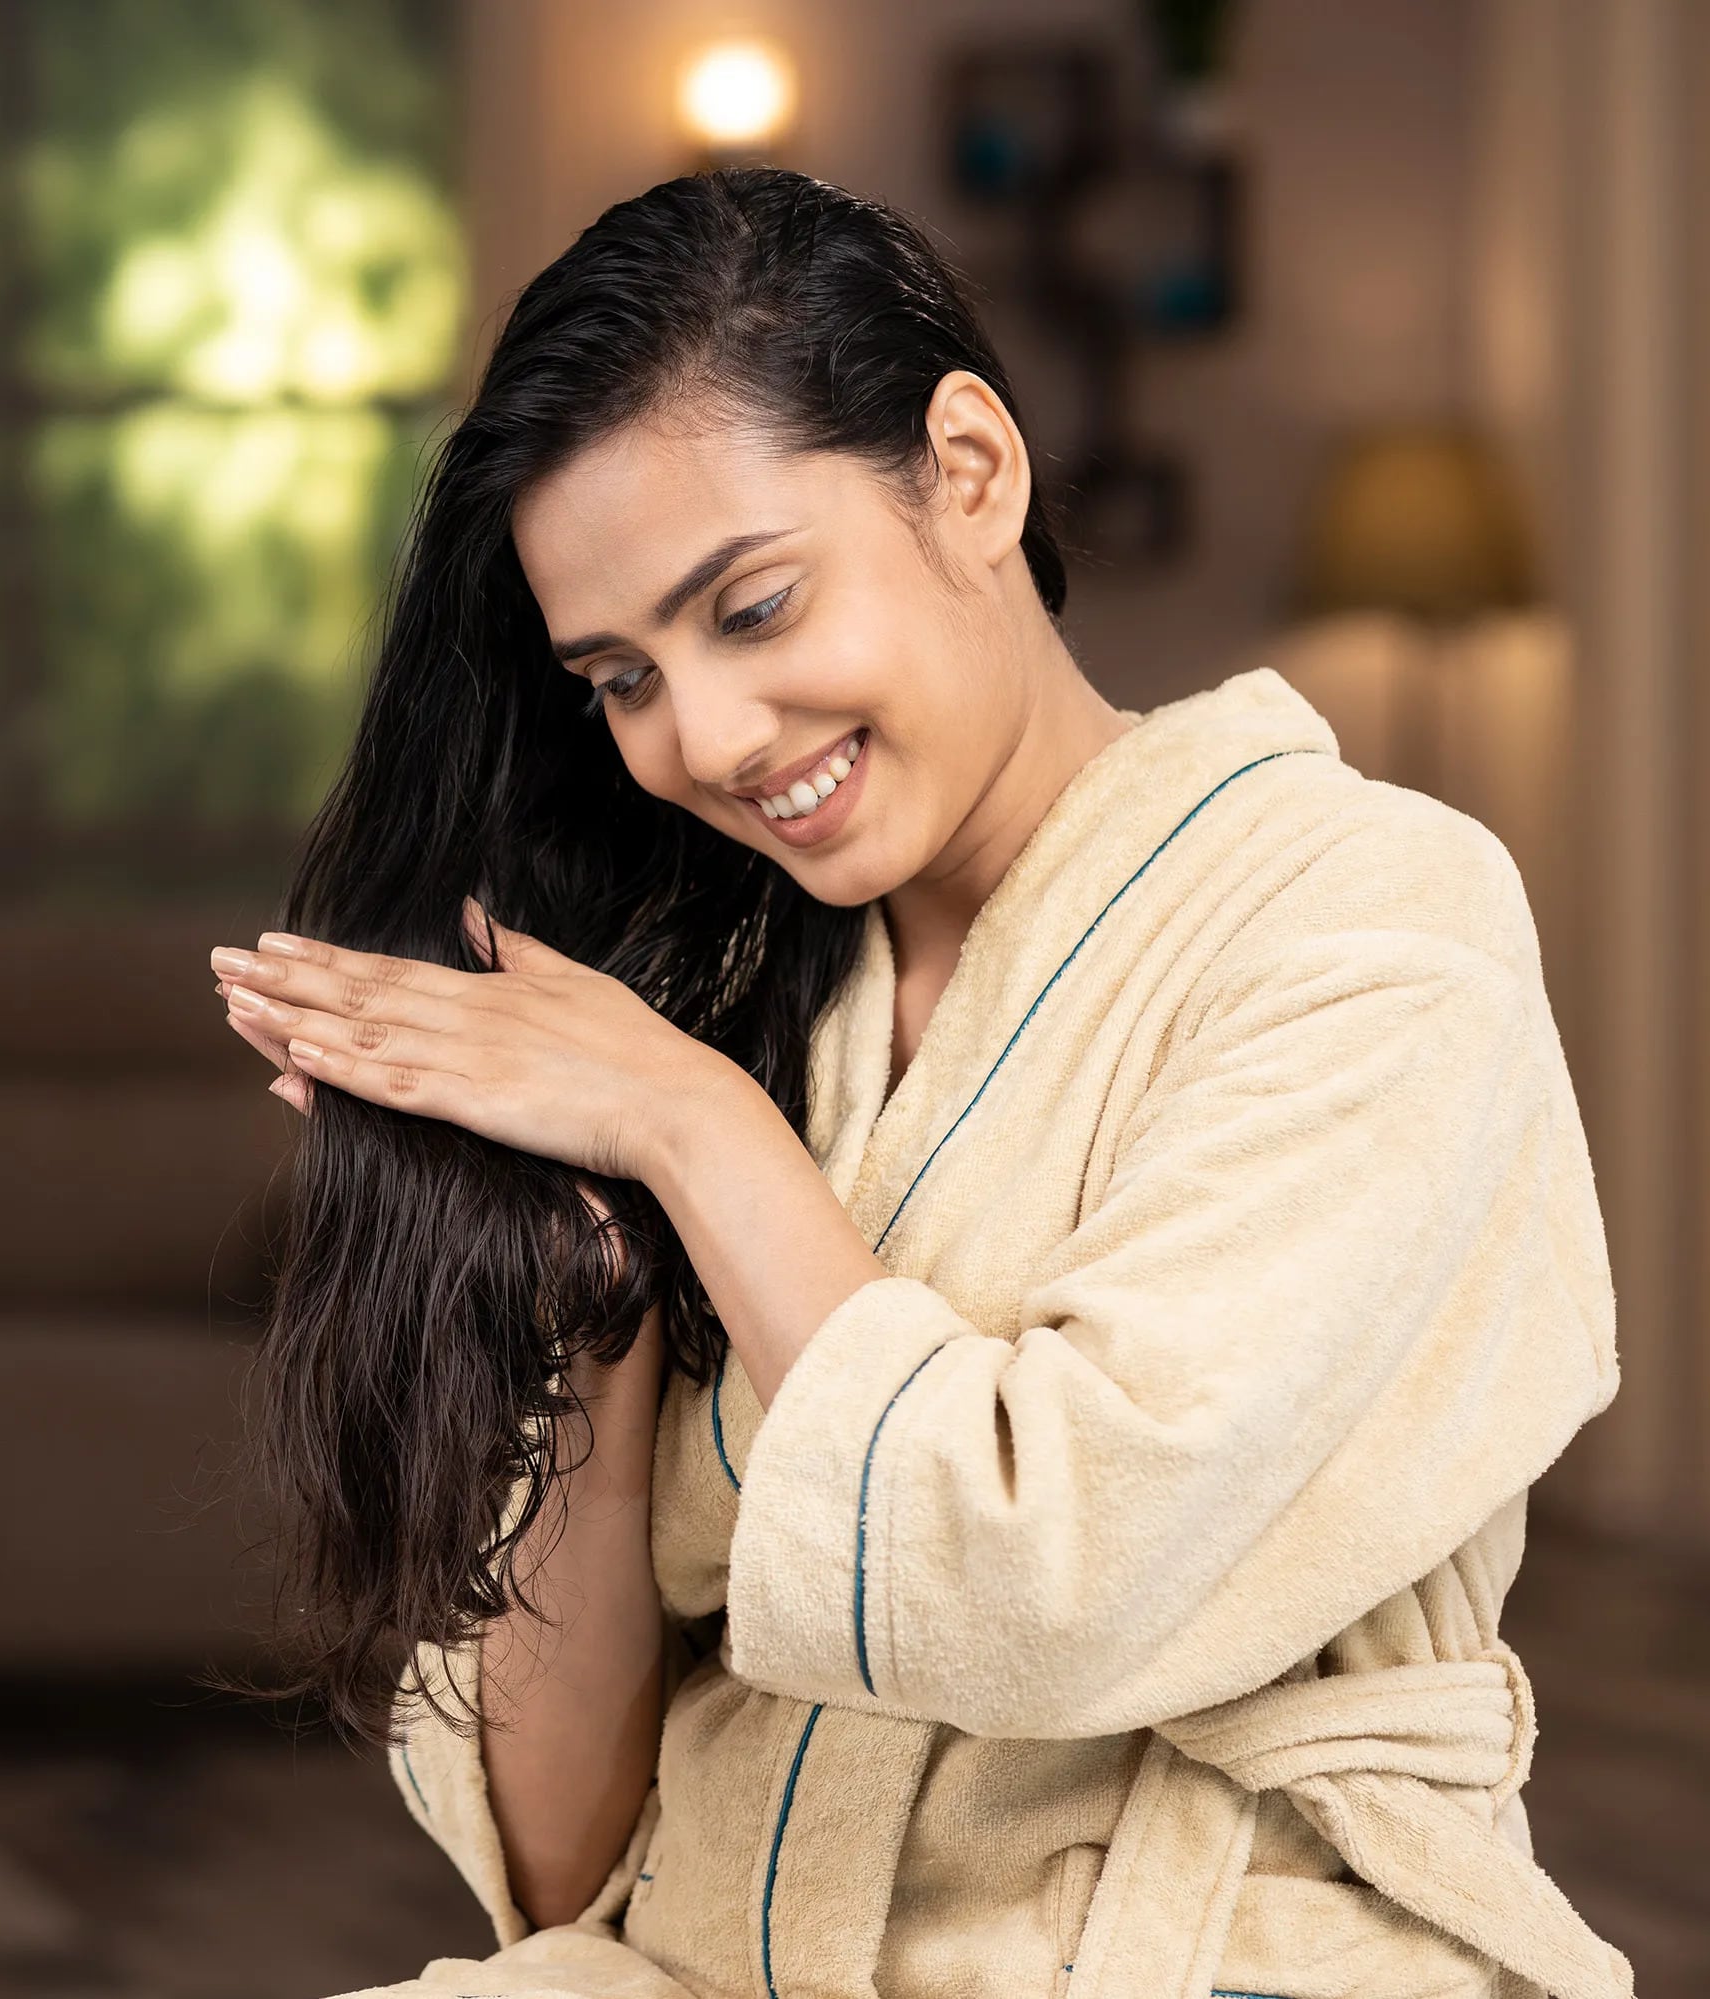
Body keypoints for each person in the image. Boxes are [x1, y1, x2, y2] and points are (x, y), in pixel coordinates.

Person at [207, 169, 1631, 1999]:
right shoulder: (727, 992)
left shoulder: (1372, 922)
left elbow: (1049, 1576)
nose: (703, 740)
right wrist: (592, 1306)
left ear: (970, 472)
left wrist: (692, 1129)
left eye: (755, 606)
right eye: (622, 675)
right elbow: (564, 1870)